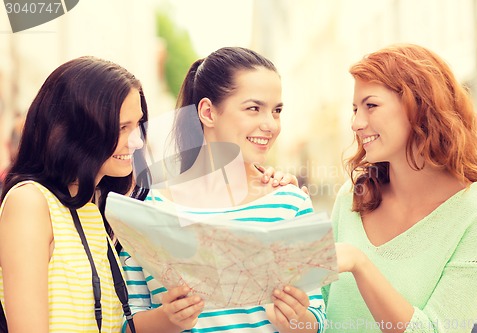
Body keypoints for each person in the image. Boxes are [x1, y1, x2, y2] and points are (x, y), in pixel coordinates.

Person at [120, 47, 327, 333]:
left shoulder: (290, 204)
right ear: (207, 112)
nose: (270, 125)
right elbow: (127, 322)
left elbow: (318, 318)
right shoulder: (147, 212)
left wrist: (295, 320)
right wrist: (168, 319)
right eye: (254, 108)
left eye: (276, 111)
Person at [321, 43, 477, 333]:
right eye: (354, 109)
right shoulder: (352, 197)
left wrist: (360, 263)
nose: (356, 123)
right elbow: (320, 317)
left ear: (419, 106)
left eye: (371, 105)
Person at [0, 56, 150, 332]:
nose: (137, 141)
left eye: (137, 125)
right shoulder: (30, 203)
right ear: (77, 129)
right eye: (121, 127)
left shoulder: (92, 209)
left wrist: (174, 317)